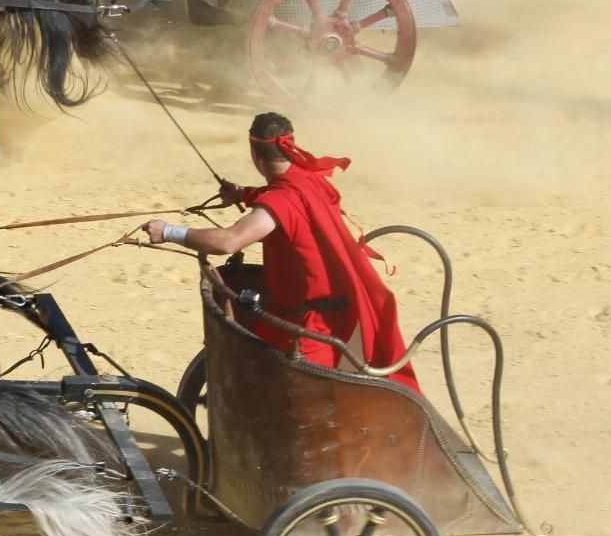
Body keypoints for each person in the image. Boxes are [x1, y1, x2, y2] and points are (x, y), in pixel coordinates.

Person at [142, 112, 420, 390]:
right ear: (291, 147)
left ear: (254, 153)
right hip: (315, 313)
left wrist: (169, 232)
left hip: (311, 327)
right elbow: (288, 201)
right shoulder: (309, 178)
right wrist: (244, 194)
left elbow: (228, 241)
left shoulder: (279, 201)